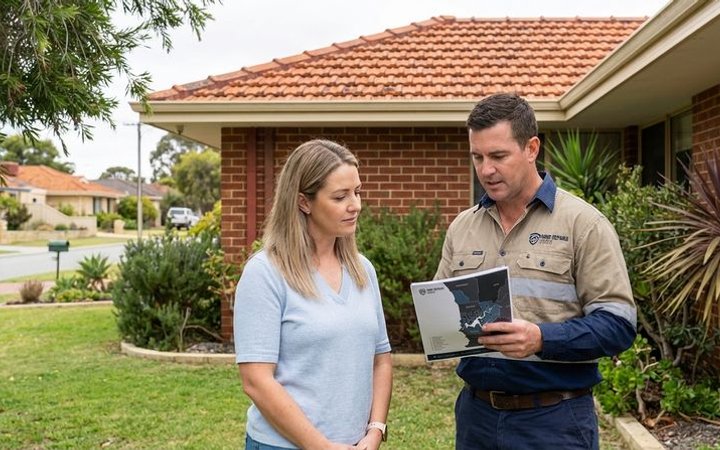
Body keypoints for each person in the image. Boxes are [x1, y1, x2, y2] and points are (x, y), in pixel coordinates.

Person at [435, 93, 636, 450]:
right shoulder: (462, 227)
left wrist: (541, 339)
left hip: (555, 422)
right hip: (475, 417)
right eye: (477, 157)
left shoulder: (583, 224)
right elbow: (440, 315)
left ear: (531, 148)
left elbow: (618, 325)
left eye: (498, 156)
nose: (485, 170)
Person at [234, 139, 392, 450]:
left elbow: (381, 360)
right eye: (340, 196)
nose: (355, 204)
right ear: (304, 202)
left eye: (357, 192)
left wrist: (375, 431)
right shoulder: (265, 273)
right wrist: (321, 446)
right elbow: (256, 381)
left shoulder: (363, 270)